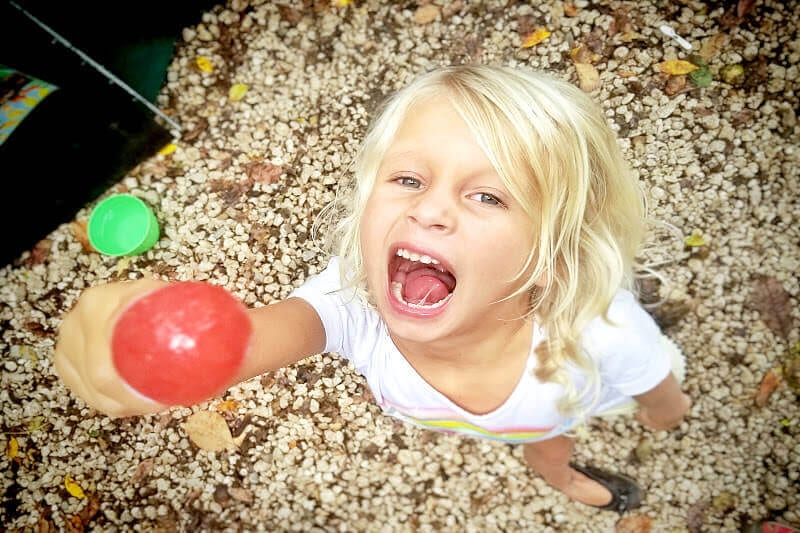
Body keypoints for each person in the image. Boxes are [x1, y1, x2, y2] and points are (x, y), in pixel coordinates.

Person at [54, 64, 691, 513]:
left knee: (549, 445)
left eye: (488, 195)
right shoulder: (355, 303)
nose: (430, 210)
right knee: (526, 439)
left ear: (551, 256)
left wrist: (665, 414)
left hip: (562, 404)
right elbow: (252, 339)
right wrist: (144, 337)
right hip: (488, 422)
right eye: (409, 180)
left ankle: (561, 474)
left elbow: (655, 384)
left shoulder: (601, 330)